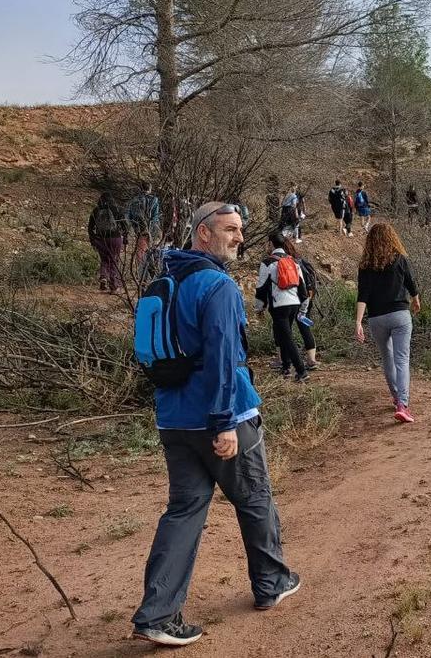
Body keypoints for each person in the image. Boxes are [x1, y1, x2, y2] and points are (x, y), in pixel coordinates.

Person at [132, 202, 300, 646]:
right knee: (255, 497)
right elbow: (226, 360)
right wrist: (225, 422)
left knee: (184, 511)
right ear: (203, 234)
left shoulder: (161, 283)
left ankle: (158, 614)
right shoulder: (218, 287)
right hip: (221, 419)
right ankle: (271, 582)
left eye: (241, 230)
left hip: (173, 421)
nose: (239, 237)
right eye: (230, 229)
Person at [355, 223, 420, 424]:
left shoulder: (365, 266)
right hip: (400, 314)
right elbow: (410, 283)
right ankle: (402, 404)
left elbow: (362, 295)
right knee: (402, 360)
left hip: (377, 318)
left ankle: (396, 398)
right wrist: (416, 299)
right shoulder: (400, 259)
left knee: (387, 358)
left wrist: (358, 322)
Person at [254, 231, 310, 381]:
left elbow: (261, 288)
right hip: (294, 304)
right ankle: (286, 367)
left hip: (279, 305)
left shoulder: (267, 262)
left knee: (287, 337)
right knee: (283, 334)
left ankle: (301, 371)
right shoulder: (294, 261)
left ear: (271, 244)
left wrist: (259, 308)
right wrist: (303, 308)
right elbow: (302, 288)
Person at [286, 238, 320, 371]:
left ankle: (284, 360)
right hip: (307, 298)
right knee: (304, 327)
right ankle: (312, 359)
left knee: (284, 329)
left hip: (293, 299)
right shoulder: (301, 260)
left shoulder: (288, 262)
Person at [87, 192, 124, 292]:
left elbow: (90, 228)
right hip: (115, 238)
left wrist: (93, 240)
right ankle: (114, 285)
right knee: (114, 260)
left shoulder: (96, 210)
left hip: (100, 238)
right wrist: (126, 238)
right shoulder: (117, 209)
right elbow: (124, 224)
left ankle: (103, 277)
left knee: (104, 259)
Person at [127, 181, 162, 280]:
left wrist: (135, 228)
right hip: (153, 230)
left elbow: (129, 217)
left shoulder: (134, 200)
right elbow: (155, 217)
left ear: (140, 188)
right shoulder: (154, 200)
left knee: (141, 253)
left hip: (140, 231)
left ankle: (142, 275)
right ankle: (154, 275)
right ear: (150, 189)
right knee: (154, 252)